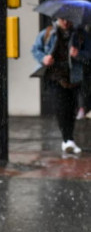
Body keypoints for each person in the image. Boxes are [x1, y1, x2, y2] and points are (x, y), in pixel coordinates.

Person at [31, 17, 91, 155]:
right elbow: (36, 49)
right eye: (63, 19)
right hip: (55, 77)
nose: (65, 22)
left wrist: (79, 54)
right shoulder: (48, 33)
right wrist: (44, 58)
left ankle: (69, 138)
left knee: (72, 108)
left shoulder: (80, 34)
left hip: (74, 77)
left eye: (68, 20)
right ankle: (67, 139)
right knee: (61, 107)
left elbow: (88, 53)